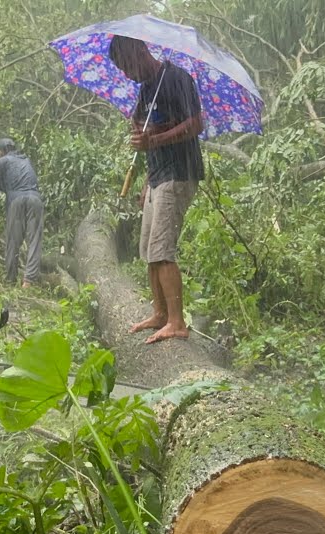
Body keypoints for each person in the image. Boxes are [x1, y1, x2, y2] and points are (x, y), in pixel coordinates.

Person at [108, 35, 205, 344]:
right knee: (149, 250)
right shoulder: (146, 90)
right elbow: (144, 128)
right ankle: (160, 313)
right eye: (121, 69)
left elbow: (196, 124)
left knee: (162, 250)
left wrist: (156, 139)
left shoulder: (175, 78)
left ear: (140, 51)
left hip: (179, 173)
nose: (126, 73)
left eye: (126, 65)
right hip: (157, 177)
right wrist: (145, 176)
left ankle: (177, 322)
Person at [0, 137, 44, 288]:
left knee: (13, 240)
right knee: (34, 240)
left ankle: (10, 280)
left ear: (1, 151)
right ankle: (29, 281)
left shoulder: (1, 162)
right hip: (35, 199)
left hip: (16, 201)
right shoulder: (26, 160)